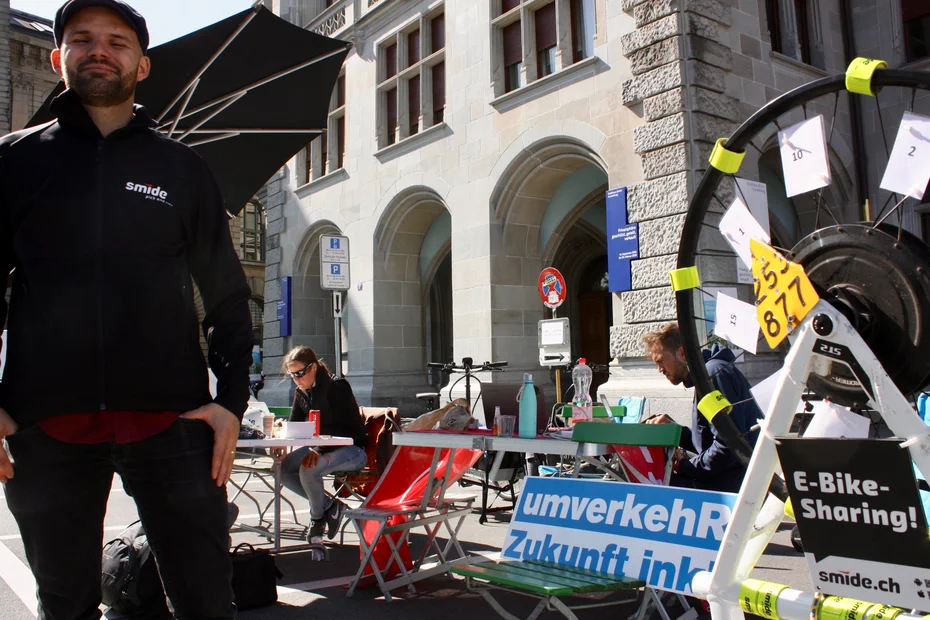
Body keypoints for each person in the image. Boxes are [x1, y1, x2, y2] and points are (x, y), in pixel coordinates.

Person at [0, 1, 253, 618]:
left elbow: (225, 293)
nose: (99, 50)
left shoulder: (182, 168)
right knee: (65, 603)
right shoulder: (14, 160)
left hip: (173, 423)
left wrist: (230, 403)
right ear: (59, 58)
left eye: (117, 42)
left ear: (142, 65)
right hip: (46, 426)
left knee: (204, 601)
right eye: (81, 39)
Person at [641, 322, 763, 493]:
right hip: (729, 480)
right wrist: (677, 432)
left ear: (682, 353)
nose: (659, 369)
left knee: (651, 486)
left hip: (732, 487)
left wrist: (687, 465)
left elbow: (729, 445)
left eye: (661, 361)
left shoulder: (713, 374)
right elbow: (711, 441)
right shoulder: (707, 375)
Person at [279, 346, 368, 543]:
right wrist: (281, 436)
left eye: (300, 373)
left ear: (313, 368)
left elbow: (344, 430)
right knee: (283, 469)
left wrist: (317, 450)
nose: (297, 379)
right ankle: (330, 506)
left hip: (352, 449)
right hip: (323, 447)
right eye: (292, 375)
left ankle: (317, 520)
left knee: (307, 468)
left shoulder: (336, 387)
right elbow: (295, 424)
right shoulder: (302, 390)